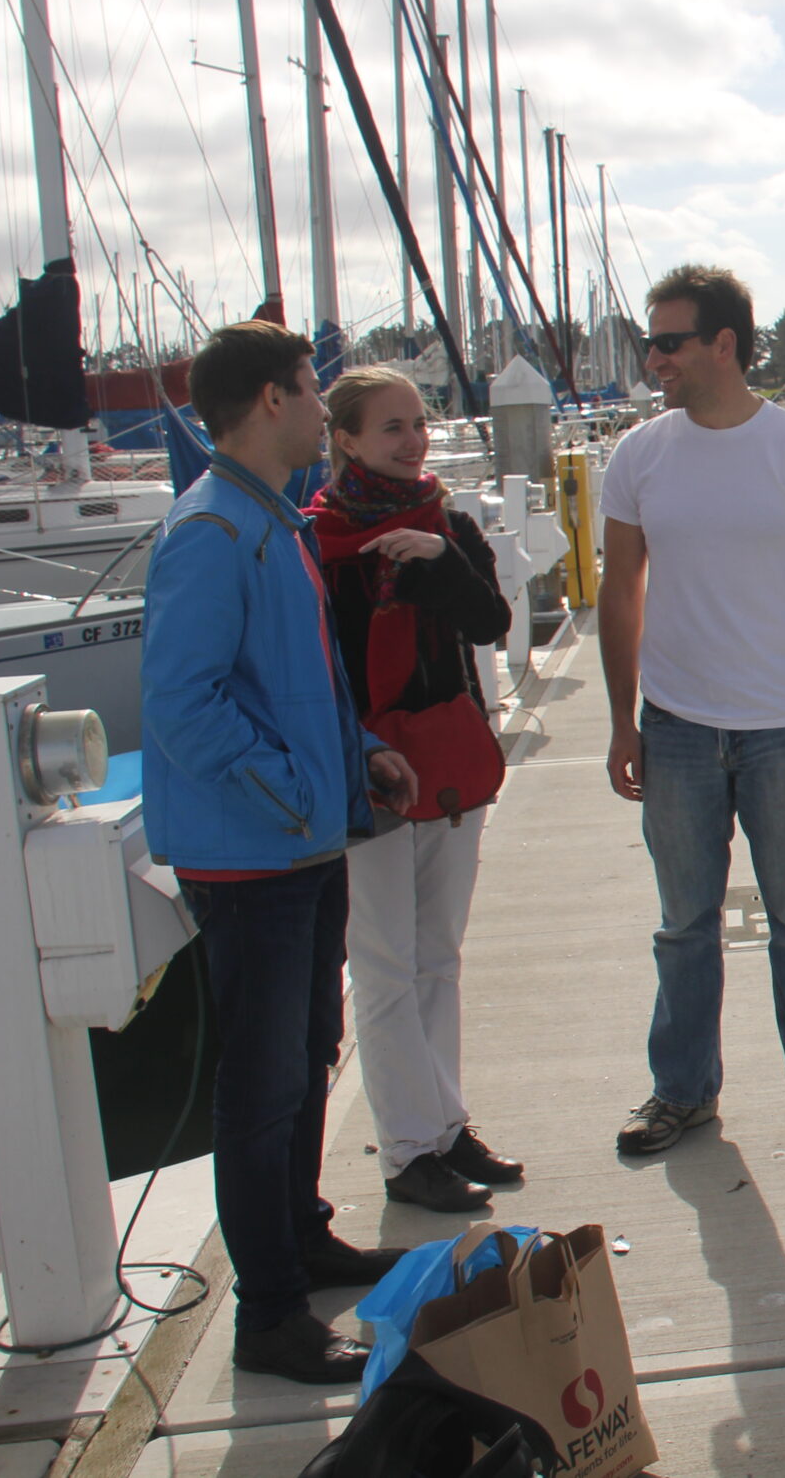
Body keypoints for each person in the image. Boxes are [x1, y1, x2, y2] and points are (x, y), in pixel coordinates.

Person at [142, 322, 418, 1386]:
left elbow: (297, 688)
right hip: (253, 861)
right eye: (311, 390)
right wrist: (300, 793)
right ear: (268, 401)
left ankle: (301, 1238)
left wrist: (361, 754)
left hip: (297, 846)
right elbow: (183, 705)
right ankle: (269, 1316)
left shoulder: (269, 522)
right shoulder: (211, 533)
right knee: (259, 1086)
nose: (321, 408)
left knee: (306, 1056)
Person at [598, 265, 785, 1158]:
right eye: (651, 341)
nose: (654, 358)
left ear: (724, 344)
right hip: (674, 725)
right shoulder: (638, 456)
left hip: (784, 728)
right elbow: (620, 593)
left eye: (669, 341)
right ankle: (682, 1091)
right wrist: (619, 719)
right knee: (683, 924)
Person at [309, 366, 520, 1214]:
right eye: (391, 426)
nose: (413, 438)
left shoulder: (449, 525)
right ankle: (407, 1150)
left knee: (440, 955)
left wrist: (439, 562)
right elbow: (315, 668)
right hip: (369, 775)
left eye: (419, 421)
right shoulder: (315, 540)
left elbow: (491, 623)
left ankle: (445, 1121)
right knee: (387, 964)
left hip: (451, 768)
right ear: (347, 439)